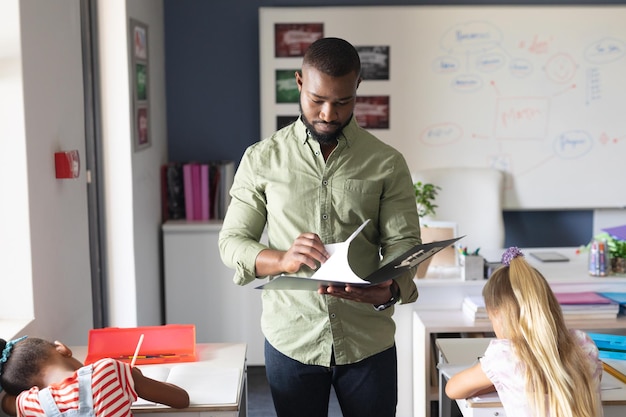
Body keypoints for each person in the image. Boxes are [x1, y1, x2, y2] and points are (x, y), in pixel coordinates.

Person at [218, 37, 421, 417]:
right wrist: (282, 258)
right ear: (299, 83)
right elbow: (232, 243)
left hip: (367, 341)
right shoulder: (261, 159)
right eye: (317, 100)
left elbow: (405, 244)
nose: (328, 113)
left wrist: (389, 287)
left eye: (342, 102)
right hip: (291, 337)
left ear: (357, 89)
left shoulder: (387, 163)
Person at [445, 247, 602, 417]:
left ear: (497, 314)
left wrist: (495, 381)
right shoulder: (584, 343)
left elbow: (452, 389)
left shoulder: (504, 356)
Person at [0, 336, 189, 417]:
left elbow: (6, 403)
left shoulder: (31, 403)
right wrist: (133, 376)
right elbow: (181, 399)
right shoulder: (108, 370)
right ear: (62, 348)